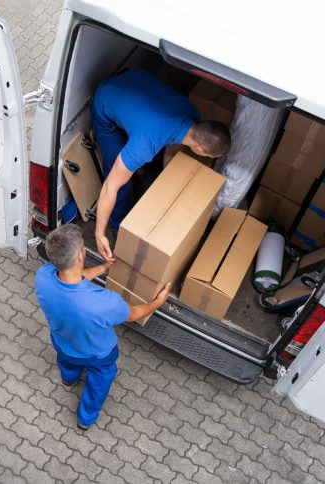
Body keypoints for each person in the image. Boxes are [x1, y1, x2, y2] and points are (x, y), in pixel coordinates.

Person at [35, 224, 171, 430]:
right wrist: (157, 303)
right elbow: (134, 314)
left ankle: (68, 378)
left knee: (67, 362)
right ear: (80, 256)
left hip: (62, 341)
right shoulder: (104, 303)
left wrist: (103, 268)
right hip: (97, 355)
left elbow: (72, 279)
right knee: (99, 381)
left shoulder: (43, 275)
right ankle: (85, 418)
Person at [91, 69, 231, 261]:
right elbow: (110, 187)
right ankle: (117, 221)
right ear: (198, 149)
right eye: (207, 155)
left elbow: (173, 143)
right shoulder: (145, 144)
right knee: (118, 177)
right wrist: (99, 234)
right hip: (105, 99)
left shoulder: (194, 115)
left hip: (131, 82)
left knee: (136, 154)